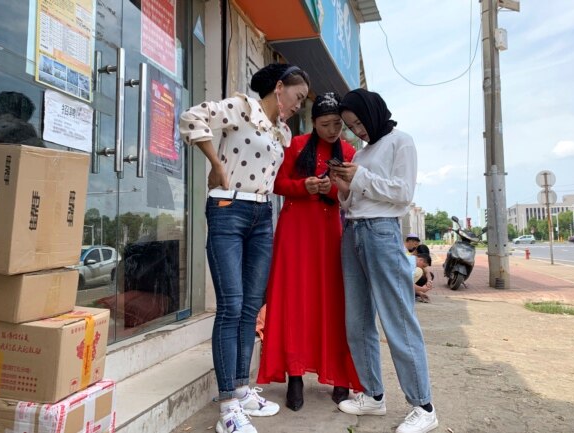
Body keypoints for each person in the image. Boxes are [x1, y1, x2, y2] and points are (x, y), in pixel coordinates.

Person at [179, 63, 310, 433]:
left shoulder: (281, 132)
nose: (299, 105)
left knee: (251, 307)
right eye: (298, 97)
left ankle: (240, 387)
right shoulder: (240, 109)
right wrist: (216, 163)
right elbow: (192, 117)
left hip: (262, 214)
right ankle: (227, 407)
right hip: (227, 209)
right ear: (280, 88)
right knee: (231, 305)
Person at [329, 88, 439, 433]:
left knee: (397, 319)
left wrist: (358, 178)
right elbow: (353, 203)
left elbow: (402, 193)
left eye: (359, 122)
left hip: (381, 232)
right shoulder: (362, 153)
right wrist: (342, 186)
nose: (357, 130)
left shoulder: (399, 141)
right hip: (354, 232)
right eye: (351, 126)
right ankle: (372, 394)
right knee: (357, 320)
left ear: (374, 112)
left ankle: (423, 406)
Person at [256, 93, 361, 412]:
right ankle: (295, 376)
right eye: (326, 124)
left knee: (332, 301)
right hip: (294, 232)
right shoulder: (296, 144)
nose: (333, 130)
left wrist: (333, 188)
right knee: (294, 301)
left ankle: (340, 376)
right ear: (313, 123)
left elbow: (353, 193)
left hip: (330, 232)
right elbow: (276, 183)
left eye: (338, 125)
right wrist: (305, 187)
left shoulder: (348, 150)